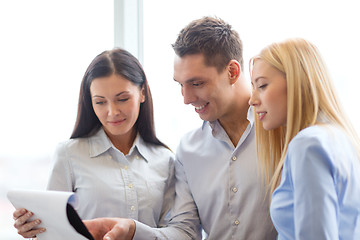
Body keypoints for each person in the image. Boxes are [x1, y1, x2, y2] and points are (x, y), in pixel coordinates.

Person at [84, 16, 277, 240]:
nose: (186, 98)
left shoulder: (283, 130)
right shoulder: (189, 149)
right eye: (181, 85)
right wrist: (133, 230)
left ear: (232, 72)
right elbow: (185, 232)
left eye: (197, 83)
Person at [12, 48, 175, 239]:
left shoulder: (166, 160)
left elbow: (174, 233)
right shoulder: (69, 155)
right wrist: (35, 231)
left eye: (122, 99)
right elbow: (54, 233)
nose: (112, 112)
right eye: (100, 102)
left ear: (142, 93)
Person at [248, 38, 360, 239]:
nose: (252, 100)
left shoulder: (308, 144)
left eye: (262, 85)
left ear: (297, 82)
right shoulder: (341, 137)